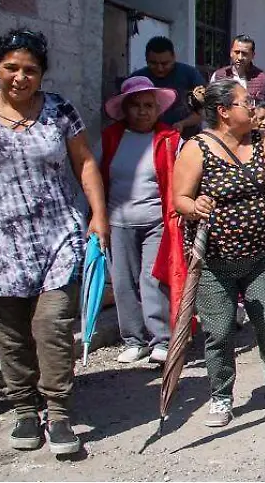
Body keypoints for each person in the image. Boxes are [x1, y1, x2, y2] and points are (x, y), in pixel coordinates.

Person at [0, 30, 107, 456]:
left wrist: (98, 217)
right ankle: (25, 410)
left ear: (42, 74)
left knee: (52, 325)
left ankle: (59, 411)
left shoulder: (59, 110)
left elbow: (84, 162)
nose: (20, 77)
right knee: (9, 334)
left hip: (57, 234)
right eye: (11, 68)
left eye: (30, 70)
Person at [172, 80, 265, 427]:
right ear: (224, 111)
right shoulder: (196, 148)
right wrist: (194, 205)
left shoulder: (261, 140)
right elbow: (179, 199)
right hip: (215, 260)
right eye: (246, 102)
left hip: (260, 255)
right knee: (219, 330)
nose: (253, 106)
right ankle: (221, 395)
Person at [99, 77, 180, 365]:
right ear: (124, 109)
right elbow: (96, 177)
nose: (143, 111)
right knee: (121, 282)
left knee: (152, 278)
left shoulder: (170, 139)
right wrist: (95, 217)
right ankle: (134, 340)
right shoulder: (109, 138)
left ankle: (161, 339)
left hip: (156, 222)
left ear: (158, 109)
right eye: (136, 106)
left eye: (149, 106)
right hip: (117, 220)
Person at [129, 36, 205, 138]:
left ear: (174, 58)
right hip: (147, 139)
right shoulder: (137, 79)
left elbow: (202, 112)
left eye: (164, 63)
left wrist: (183, 123)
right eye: (153, 63)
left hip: (187, 138)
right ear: (146, 59)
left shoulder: (190, 75)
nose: (159, 68)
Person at [210, 34, 265, 134]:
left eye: (244, 54)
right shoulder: (218, 76)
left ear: (253, 55)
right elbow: (210, 109)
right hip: (225, 134)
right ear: (231, 53)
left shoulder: (264, 79)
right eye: (237, 52)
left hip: (253, 136)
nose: (240, 57)